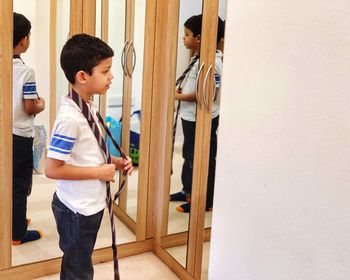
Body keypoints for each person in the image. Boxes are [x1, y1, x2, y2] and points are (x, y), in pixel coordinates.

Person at [45, 34, 133, 279]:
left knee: (80, 259)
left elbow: (88, 151)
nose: (111, 76)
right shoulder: (70, 119)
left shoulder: (88, 105)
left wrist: (114, 163)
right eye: (105, 71)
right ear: (82, 76)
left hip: (87, 205)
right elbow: (52, 169)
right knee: (78, 267)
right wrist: (98, 172)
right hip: (76, 209)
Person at [170, 15, 224, 213]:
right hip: (190, 116)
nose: (183, 38)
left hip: (203, 118)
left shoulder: (214, 63)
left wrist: (177, 97)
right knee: (188, 155)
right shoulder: (198, 58)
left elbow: (208, 94)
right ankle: (188, 191)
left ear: (199, 38)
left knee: (203, 159)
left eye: (187, 35)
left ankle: (205, 201)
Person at [12, 12, 45, 245]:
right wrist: (41, 103)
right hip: (19, 136)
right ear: (24, 40)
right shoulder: (26, 71)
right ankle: (17, 233)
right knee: (20, 183)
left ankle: (12, 220)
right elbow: (30, 107)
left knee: (5, 180)